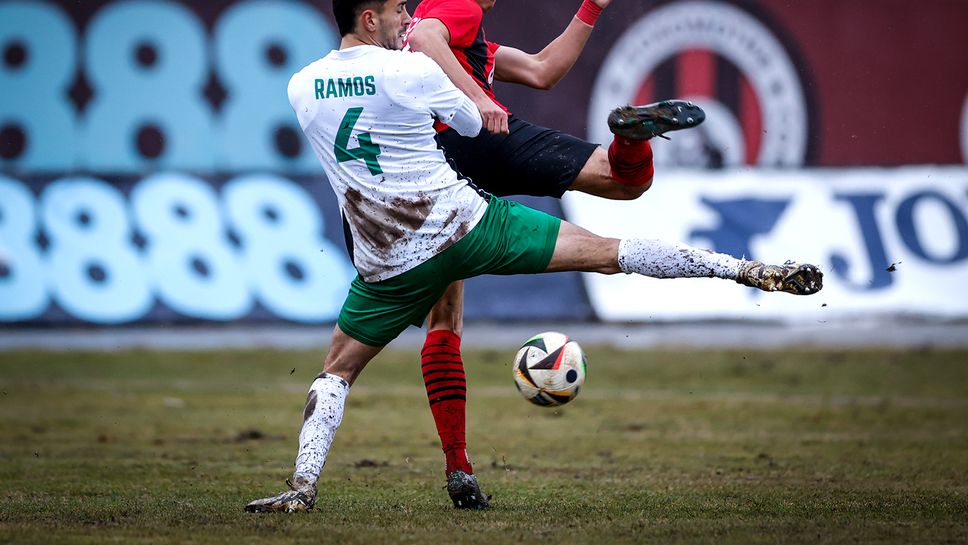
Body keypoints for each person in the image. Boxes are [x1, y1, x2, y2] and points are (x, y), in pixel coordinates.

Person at [243, 0, 822, 513]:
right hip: (468, 223)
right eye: (397, 10)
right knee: (605, 249)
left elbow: (534, 69)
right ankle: (743, 270)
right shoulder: (415, 56)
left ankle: (302, 487)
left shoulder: (301, 85)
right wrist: (471, 97)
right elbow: (467, 115)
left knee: (337, 371)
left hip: (390, 260)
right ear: (370, 18)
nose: (406, 19)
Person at [403, 0, 705, 508]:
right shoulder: (453, 6)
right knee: (623, 178)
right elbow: (425, 38)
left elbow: (544, 70)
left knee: (443, 322)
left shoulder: (468, 42)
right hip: (464, 145)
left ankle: (458, 466)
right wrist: (479, 98)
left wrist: (590, 8)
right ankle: (626, 138)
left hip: (439, 166)